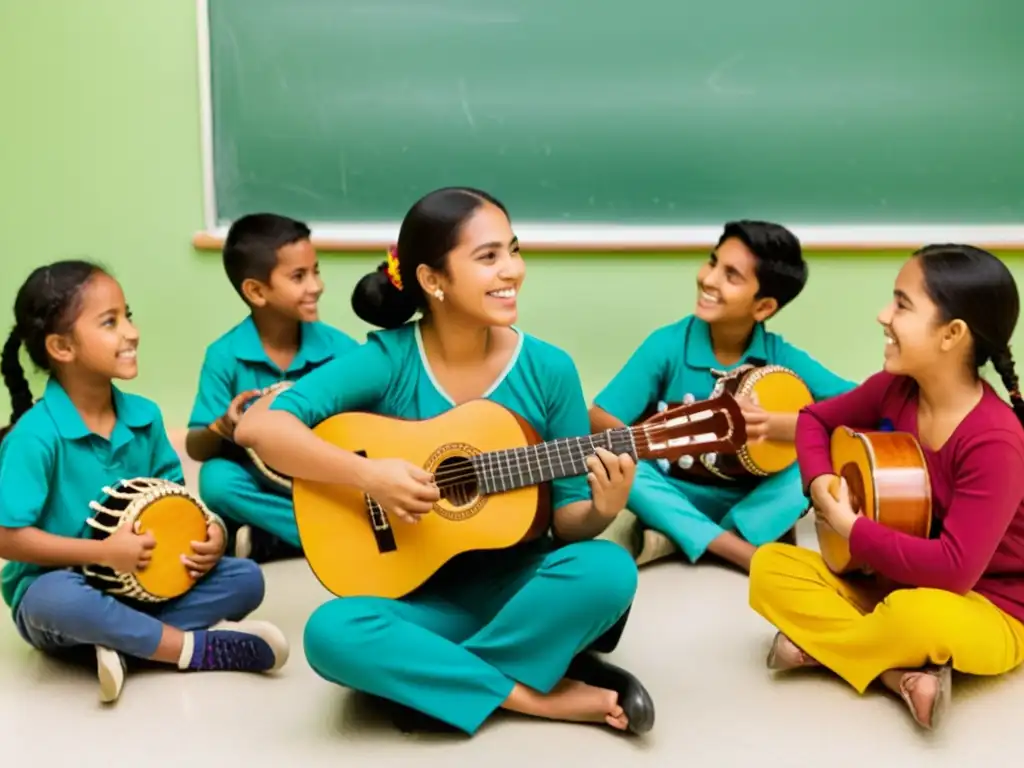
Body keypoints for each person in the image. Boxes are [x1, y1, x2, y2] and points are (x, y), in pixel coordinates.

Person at [234, 187, 654, 736]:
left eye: (514, 249)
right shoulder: (389, 360)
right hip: (416, 598)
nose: (513, 270)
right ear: (433, 280)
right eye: (488, 257)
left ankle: (437, 682)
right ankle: (535, 694)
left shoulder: (550, 370)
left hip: (520, 586)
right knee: (330, 632)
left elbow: (568, 522)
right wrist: (370, 475)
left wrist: (603, 509)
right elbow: (259, 426)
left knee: (609, 569)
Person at [749, 244, 1024, 731]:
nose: (883, 315)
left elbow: (956, 572)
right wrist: (820, 481)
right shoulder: (894, 388)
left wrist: (852, 530)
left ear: (952, 334)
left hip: (990, 606)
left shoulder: (996, 441)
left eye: (902, 304)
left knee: (916, 616)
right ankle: (897, 675)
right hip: (889, 580)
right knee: (770, 567)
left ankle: (828, 646)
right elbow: (814, 420)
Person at [0, 260, 289, 705]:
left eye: (128, 316)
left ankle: (122, 644)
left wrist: (211, 531)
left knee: (245, 578)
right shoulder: (35, 436)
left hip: (146, 584)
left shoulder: (145, 416)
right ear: (61, 347)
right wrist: (103, 553)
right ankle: (187, 649)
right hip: (61, 583)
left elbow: (179, 499)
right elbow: (8, 539)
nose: (131, 332)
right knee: (52, 600)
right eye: (110, 322)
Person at [589, 221, 855, 572]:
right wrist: (655, 438)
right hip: (673, 491)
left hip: (748, 499)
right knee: (619, 458)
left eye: (731, 276)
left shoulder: (780, 356)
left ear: (763, 308)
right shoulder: (668, 344)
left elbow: (860, 408)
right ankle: (736, 550)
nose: (709, 279)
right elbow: (600, 417)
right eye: (713, 262)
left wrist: (779, 426)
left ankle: (688, 538)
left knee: (821, 459)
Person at [185, 213, 360, 563]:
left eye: (316, 271)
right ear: (256, 291)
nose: (316, 286)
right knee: (217, 480)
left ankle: (273, 539)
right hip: (266, 485)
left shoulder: (342, 351)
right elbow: (196, 447)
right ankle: (324, 536)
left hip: (326, 479)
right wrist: (222, 427)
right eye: (299, 276)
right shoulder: (225, 355)